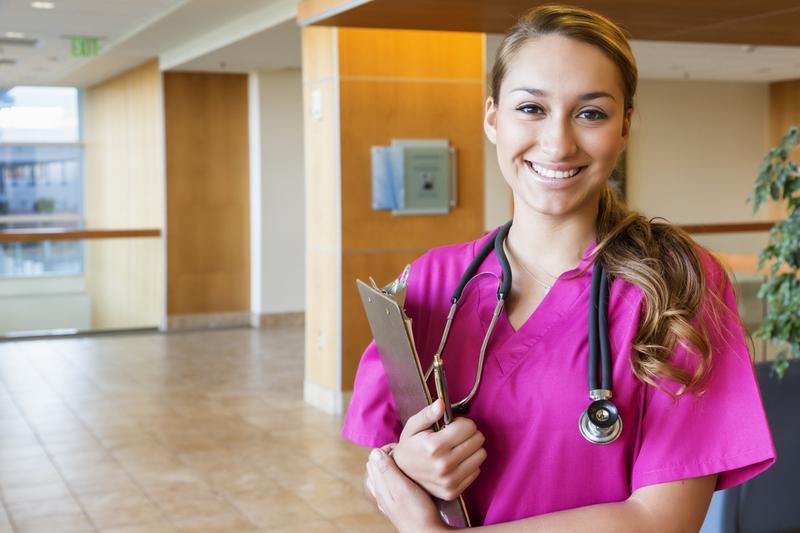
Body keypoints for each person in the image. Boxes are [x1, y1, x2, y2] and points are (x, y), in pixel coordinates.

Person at [342, 5, 775, 531]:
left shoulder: (676, 284)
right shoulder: (429, 284)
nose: (558, 143)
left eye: (590, 113)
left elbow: (663, 521)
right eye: (531, 108)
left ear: (625, 127)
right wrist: (405, 467)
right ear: (492, 117)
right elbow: (379, 475)